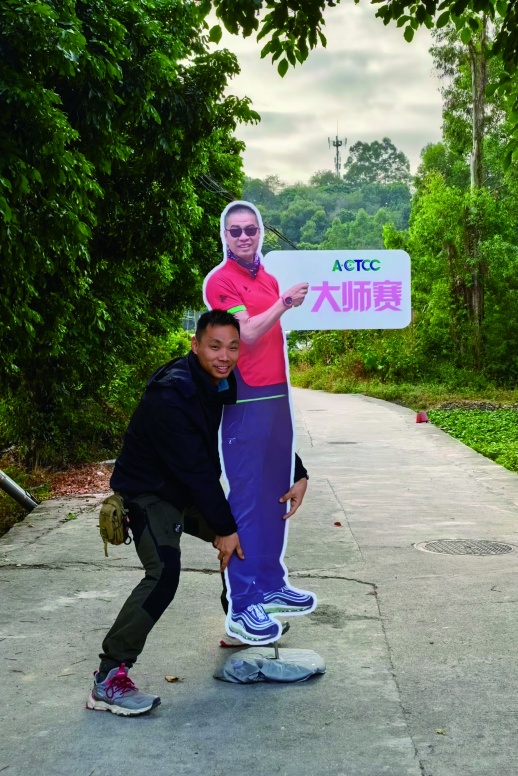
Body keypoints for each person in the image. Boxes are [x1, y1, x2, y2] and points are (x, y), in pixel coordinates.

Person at [86, 310, 245, 716]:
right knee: (163, 574)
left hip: (184, 487)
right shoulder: (172, 395)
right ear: (195, 345)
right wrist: (222, 527)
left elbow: (254, 427)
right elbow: (197, 472)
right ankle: (108, 677)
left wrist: (297, 472)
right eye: (214, 346)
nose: (224, 356)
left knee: (247, 537)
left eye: (232, 347)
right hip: (149, 493)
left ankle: (241, 622)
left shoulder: (221, 380)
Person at [204, 201, 316, 646]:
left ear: (260, 232)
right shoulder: (221, 281)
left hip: (277, 395)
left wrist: (280, 297)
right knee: (248, 499)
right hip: (246, 398)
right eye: (235, 231)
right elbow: (247, 334)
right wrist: (285, 303)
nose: (244, 237)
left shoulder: (267, 278)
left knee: (275, 494)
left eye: (250, 229)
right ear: (225, 236)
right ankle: (244, 600)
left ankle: (270, 583)